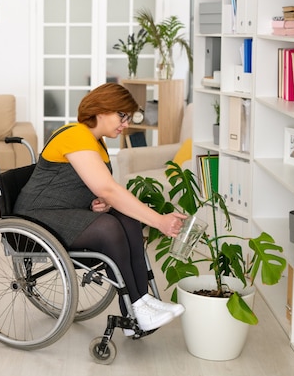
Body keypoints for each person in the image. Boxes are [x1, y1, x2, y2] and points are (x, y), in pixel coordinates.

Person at [13, 82, 187, 334]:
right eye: (122, 115)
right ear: (102, 110)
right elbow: (107, 189)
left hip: (62, 212)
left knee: (127, 220)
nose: (126, 123)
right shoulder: (75, 135)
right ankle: (138, 305)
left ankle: (138, 306)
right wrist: (159, 221)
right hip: (36, 216)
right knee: (108, 228)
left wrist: (93, 202)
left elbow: (90, 187)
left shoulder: (97, 141)